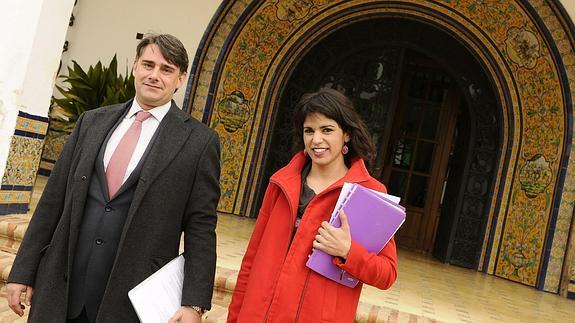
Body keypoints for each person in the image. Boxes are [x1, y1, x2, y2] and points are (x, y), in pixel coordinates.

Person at [6, 33, 220, 323]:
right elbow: (52, 202)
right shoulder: (91, 122)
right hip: (61, 288)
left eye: (166, 69)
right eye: (148, 65)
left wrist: (194, 303)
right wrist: (23, 271)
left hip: (131, 299)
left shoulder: (199, 142)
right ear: (135, 67)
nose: (154, 75)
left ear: (181, 79)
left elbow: (201, 228)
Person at [227, 87, 398, 322]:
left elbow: (387, 274)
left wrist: (348, 252)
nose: (316, 140)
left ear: (346, 134)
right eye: (309, 131)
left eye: (327, 130)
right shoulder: (281, 183)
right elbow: (252, 260)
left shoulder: (370, 193)